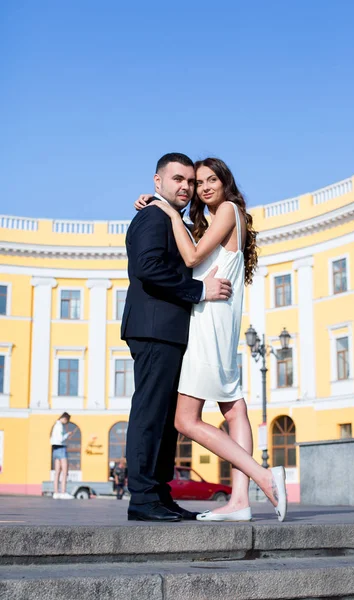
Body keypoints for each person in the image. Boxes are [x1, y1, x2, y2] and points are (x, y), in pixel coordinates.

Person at [135, 157, 287, 522]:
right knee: (234, 407)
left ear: (225, 182)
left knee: (185, 420)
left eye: (209, 180)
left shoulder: (228, 210)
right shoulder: (220, 218)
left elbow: (190, 257)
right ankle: (239, 501)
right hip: (220, 320)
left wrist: (167, 210)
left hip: (210, 321)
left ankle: (263, 476)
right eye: (196, 182)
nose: (202, 187)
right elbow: (194, 247)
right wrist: (159, 204)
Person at [121, 153, 233, 522]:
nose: (185, 187)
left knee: (167, 417)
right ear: (158, 182)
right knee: (150, 413)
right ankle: (142, 498)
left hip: (170, 332)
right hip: (154, 330)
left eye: (190, 181)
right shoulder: (152, 216)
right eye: (178, 180)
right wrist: (199, 290)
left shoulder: (174, 220)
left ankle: (160, 493)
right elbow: (148, 269)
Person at [50, 412, 74, 500]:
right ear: (65, 418)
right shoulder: (60, 426)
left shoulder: (55, 425)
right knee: (64, 471)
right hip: (61, 448)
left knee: (57, 472)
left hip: (55, 449)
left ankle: (56, 492)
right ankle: (63, 492)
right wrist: (67, 434)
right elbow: (60, 439)